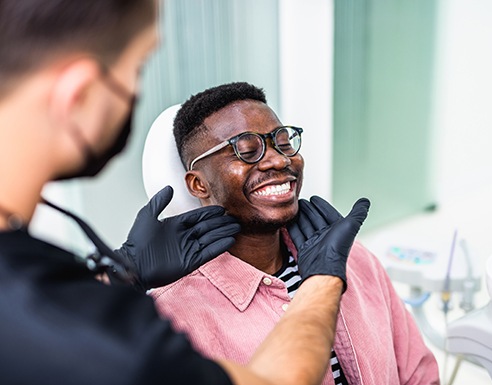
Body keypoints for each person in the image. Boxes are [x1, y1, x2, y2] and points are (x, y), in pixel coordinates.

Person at [0, 1, 371, 385]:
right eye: (137, 68)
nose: (276, 160)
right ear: (78, 94)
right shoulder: (141, 327)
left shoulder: (35, 293)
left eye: (281, 141)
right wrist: (325, 279)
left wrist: (119, 274)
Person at [149, 82, 441, 385]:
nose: (279, 160)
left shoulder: (351, 259)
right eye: (247, 150)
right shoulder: (173, 317)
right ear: (198, 185)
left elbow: (419, 375)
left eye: (284, 143)